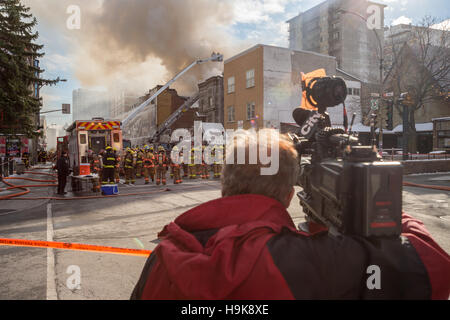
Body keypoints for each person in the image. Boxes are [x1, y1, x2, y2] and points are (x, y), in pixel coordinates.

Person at [131, 129, 450, 300]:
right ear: (287, 196)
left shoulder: (162, 256)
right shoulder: (305, 261)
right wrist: (378, 195)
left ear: (224, 186)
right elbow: (433, 266)